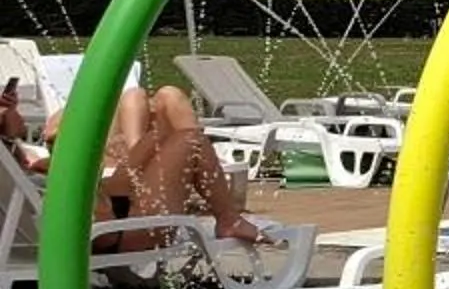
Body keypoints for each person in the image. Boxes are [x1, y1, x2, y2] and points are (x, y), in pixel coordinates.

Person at [3, 77, 268, 248]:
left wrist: (10, 126)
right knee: (191, 139)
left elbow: (25, 153)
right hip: (116, 226)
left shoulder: (11, 163)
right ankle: (228, 219)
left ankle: (220, 211)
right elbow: (44, 151)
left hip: (105, 211)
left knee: (167, 98)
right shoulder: (24, 165)